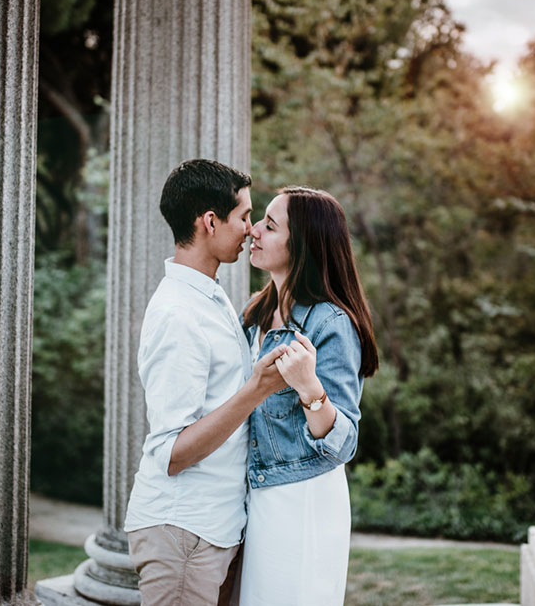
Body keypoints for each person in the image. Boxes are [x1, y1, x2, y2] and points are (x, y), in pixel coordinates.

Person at [124, 159, 288, 606]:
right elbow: (172, 453)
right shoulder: (178, 314)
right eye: (244, 217)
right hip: (183, 533)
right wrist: (256, 390)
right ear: (210, 222)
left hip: (214, 528)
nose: (251, 229)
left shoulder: (210, 297)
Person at [238, 186, 380, 606]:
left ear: (301, 244)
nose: (254, 232)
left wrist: (309, 387)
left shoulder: (330, 323)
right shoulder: (254, 313)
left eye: (269, 225)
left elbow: (344, 442)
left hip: (301, 501)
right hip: (254, 494)